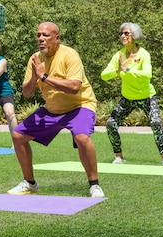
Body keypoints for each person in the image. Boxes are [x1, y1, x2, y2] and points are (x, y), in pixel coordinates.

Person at [8, 22, 105, 198]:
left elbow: (74, 86)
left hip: (79, 106)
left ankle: (94, 185)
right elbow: (27, 93)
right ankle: (30, 183)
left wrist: (44, 77)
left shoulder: (70, 55)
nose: (40, 39)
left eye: (45, 36)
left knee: (82, 137)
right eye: (38, 35)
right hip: (52, 109)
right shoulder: (35, 59)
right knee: (18, 136)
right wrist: (35, 76)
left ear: (57, 38)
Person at [101, 22, 163, 166]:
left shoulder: (143, 54)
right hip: (127, 97)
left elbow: (147, 75)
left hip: (147, 96)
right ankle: (119, 157)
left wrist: (127, 70)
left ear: (135, 36)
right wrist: (118, 70)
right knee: (110, 124)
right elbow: (104, 75)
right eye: (121, 33)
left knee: (156, 123)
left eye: (126, 33)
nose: (123, 36)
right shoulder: (119, 55)